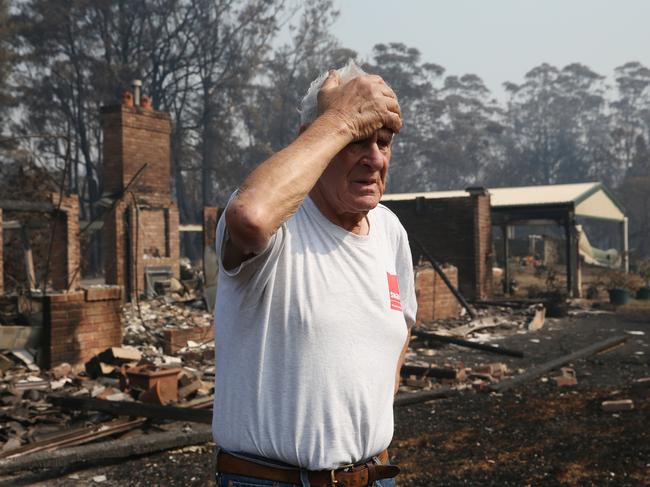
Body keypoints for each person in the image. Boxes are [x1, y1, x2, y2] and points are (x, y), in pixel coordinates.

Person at [213, 60, 417, 487]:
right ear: (315, 141)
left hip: (374, 477)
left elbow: (401, 327)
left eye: (384, 141)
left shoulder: (390, 231)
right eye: (357, 140)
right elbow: (249, 217)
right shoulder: (280, 222)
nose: (374, 159)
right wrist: (341, 117)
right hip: (272, 481)